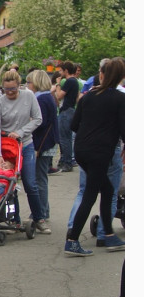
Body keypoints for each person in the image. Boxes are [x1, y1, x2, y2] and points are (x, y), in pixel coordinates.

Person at [64, 57, 125, 256]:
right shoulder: (119, 98)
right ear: (121, 77)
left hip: (81, 150)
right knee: (90, 195)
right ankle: (72, 240)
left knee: (107, 190)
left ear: (102, 74)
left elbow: (74, 125)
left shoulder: (88, 96)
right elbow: (125, 131)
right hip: (100, 152)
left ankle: (108, 234)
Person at [0, 70, 51, 235]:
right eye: (6, 89)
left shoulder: (29, 96)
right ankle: (13, 219)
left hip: (25, 144)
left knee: (30, 183)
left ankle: (39, 218)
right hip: (7, 147)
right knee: (10, 184)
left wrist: (22, 131)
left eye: (13, 89)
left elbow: (38, 119)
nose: (10, 93)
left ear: (19, 86)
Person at [26, 69, 60, 220]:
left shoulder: (41, 99)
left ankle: (41, 212)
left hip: (42, 144)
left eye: (29, 82)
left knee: (39, 179)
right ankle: (43, 210)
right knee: (41, 178)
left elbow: (41, 123)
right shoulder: (48, 97)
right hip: (48, 143)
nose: (27, 85)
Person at [55, 61, 79, 172]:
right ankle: (66, 160)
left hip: (66, 111)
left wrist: (58, 84)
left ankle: (67, 162)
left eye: (61, 70)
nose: (60, 73)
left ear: (66, 71)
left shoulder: (70, 82)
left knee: (64, 138)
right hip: (70, 110)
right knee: (66, 138)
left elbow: (59, 96)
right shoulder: (75, 82)